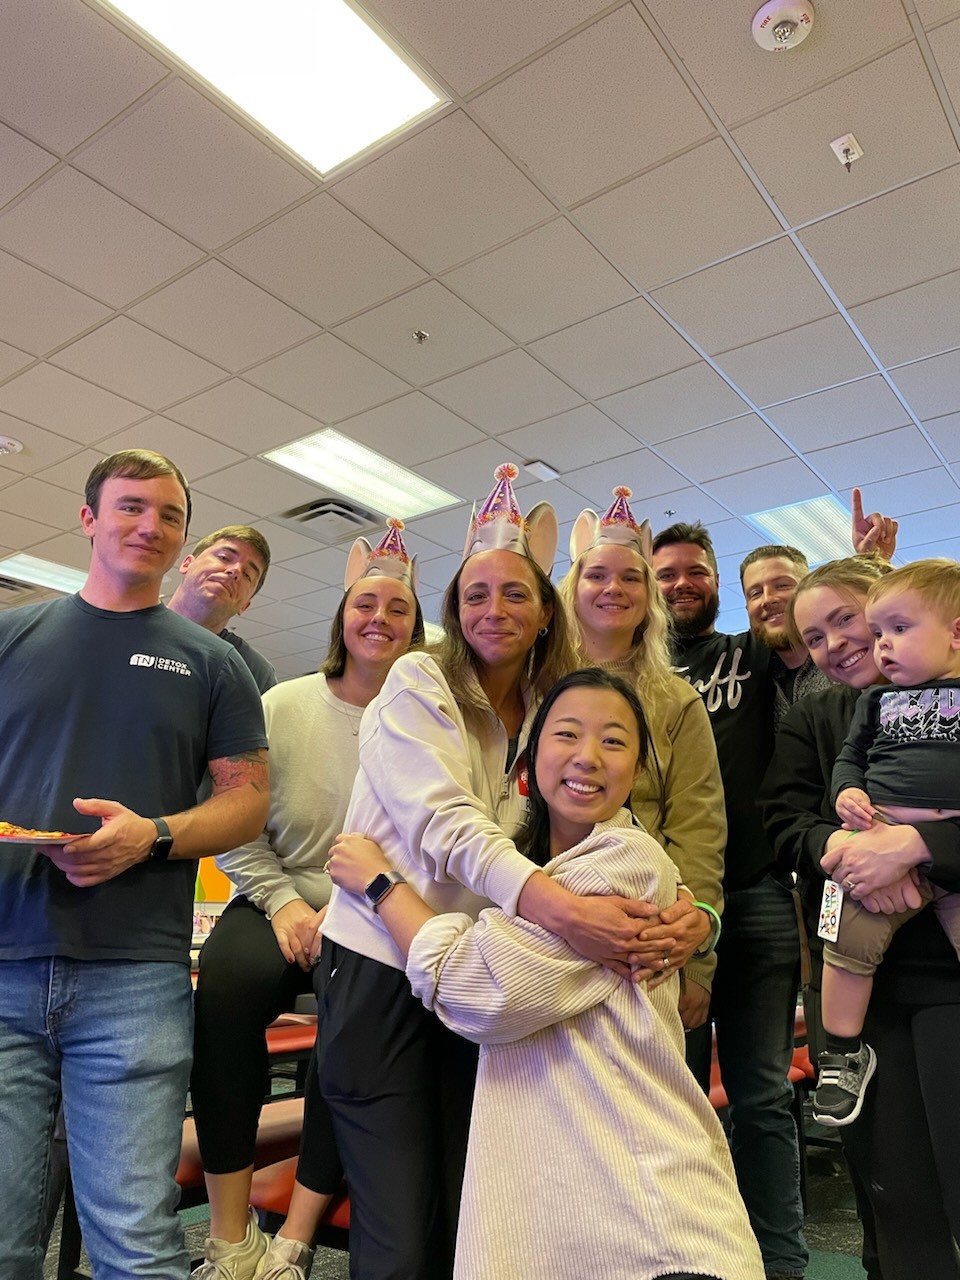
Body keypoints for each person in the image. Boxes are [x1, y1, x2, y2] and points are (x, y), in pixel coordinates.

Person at [305, 464, 680, 1280]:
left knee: (473, 1212)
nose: (493, 609)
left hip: (477, 973)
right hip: (379, 964)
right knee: (399, 1230)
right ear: (453, 608)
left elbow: (594, 815)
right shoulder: (416, 680)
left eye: (515, 594)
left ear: (547, 610)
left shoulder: (554, 707)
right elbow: (444, 821)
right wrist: (556, 906)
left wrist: (683, 906)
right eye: (475, 594)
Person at [326, 668, 764, 1280]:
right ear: (531, 760)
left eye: (614, 741)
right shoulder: (534, 871)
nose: (588, 756)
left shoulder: (623, 865)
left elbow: (473, 987)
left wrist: (380, 884)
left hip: (650, 1217)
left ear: (638, 769)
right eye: (567, 734)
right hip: (587, 1200)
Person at [0, 449, 269, 1280]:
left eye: (169, 515)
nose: (150, 525)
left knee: (135, 1244)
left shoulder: (215, 663)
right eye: (130, 507)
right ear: (89, 518)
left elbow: (248, 801)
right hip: (4, 961)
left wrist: (148, 835)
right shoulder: (12, 637)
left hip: (135, 977)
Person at [190, 520, 425, 1280]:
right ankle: (229, 1233)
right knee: (224, 991)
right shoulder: (280, 704)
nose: (379, 619)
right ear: (341, 617)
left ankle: (296, 1232)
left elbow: (430, 837)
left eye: (397, 608)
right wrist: (286, 904)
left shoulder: (428, 720)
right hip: (275, 896)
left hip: (374, 910)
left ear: (417, 628)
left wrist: (359, 905)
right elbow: (236, 819)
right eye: (365, 604)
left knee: (353, 1022)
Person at [760, 554, 960, 1279]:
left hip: (948, 980)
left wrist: (919, 847)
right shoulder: (820, 717)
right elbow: (782, 819)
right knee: (894, 1192)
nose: (839, 644)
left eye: (848, 619)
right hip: (860, 982)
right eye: (814, 637)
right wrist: (845, 853)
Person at [559, 486, 725, 1029]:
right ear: (572, 589)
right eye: (597, 575)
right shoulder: (531, 687)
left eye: (631, 578)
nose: (614, 588)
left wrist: (698, 958)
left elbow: (699, 828)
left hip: (648, 940)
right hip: (540, 921)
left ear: (649, 597)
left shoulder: (677, 701)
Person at [812, 558, 960, 1126]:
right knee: (844, 940)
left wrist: (920, 845)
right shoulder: (874, 703)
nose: (883, 646)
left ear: (956, 633)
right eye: (879, 633)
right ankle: (843, 1053)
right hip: (872, 835)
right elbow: (851, 758)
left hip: (948, 852)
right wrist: (847, 792)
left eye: (899, 629)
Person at [168, 524, 277, 694]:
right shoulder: (130, 627)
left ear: (245, 606)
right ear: (187, 564)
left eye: (247, 575)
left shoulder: (254, 672)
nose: (235, 571)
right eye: (224, 557)